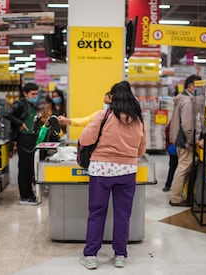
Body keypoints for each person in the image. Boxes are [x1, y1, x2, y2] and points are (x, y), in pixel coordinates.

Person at [79, 81, 146, 270]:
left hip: (101, 171)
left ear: (113, 96)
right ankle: (120, 255)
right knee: (123, 215)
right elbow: (141, 150)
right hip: (126, 172)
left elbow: (85, 138)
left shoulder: (104, 115)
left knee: (96, 213)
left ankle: (91, 255)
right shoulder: (139, 120)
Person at [3, 83, 40, 205]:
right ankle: (24, 196)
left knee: (30, 168)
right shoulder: (20, 104)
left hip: (32, 139)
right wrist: (19, 123)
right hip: (24, 139)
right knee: (24, 168)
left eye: (36, 93)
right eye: (32, 94)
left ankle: (30, 193)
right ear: (25, 93)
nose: (35, 96)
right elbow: (7, 114)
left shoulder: (32, 105)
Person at [169, 74, 202, 207]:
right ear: (191, 86)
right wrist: (193, 140)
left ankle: (177, 195)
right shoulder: (188, 101)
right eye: (199, 86)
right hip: (185, 140)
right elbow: (188, 126)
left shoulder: (182, 98)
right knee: (183, 168)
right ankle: (176, 198)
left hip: (180, 138)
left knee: (182, 166)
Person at [163, 121, 178, 192]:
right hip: (176, 147)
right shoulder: (175, 121)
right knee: (174, 167)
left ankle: (168, 185)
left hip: (173, 146)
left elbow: (167, 131)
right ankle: (168, 185)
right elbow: (167, 132)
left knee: (172, 167)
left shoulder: (173, 120)